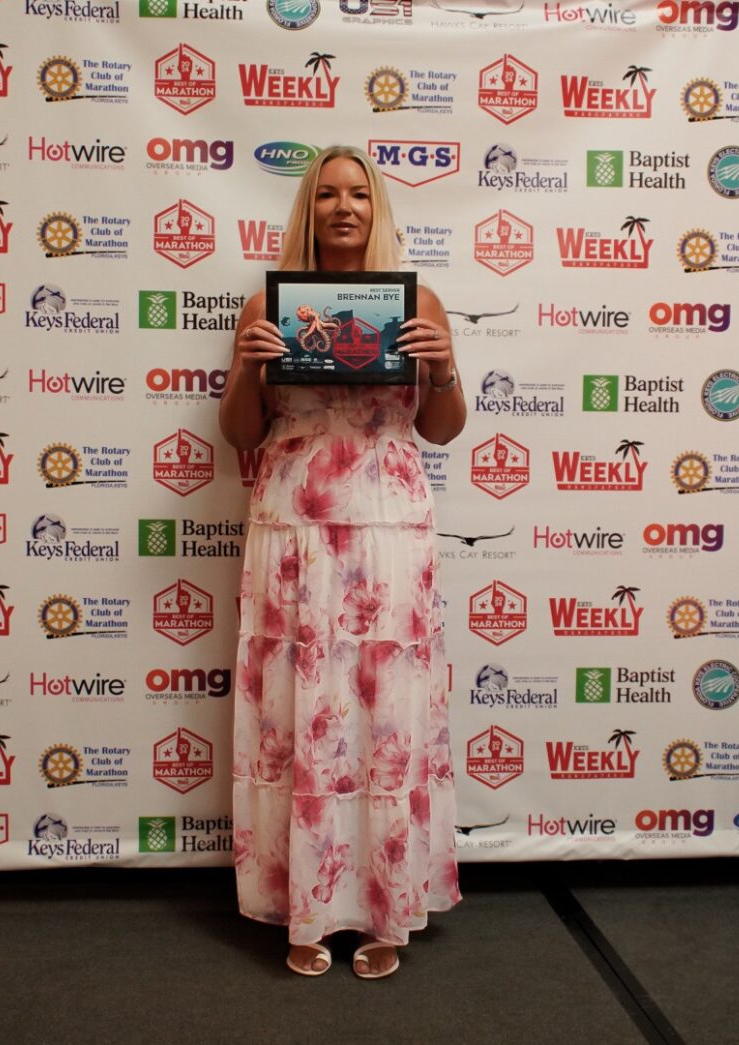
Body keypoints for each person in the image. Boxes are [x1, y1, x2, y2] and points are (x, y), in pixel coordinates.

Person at [219, 145, 465, 979]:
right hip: (293, 522)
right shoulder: (266, 302)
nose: (343, 206)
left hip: (389, 524)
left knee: (383, 715)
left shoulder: (420, 300)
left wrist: (445, 365)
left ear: (377, 206)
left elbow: (441, 428)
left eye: (358, 192)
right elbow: (240, 434)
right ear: (308, 208)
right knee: (301, 711)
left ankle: (386, 903)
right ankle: (306, 906)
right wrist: (248, 365)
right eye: (326, 193)